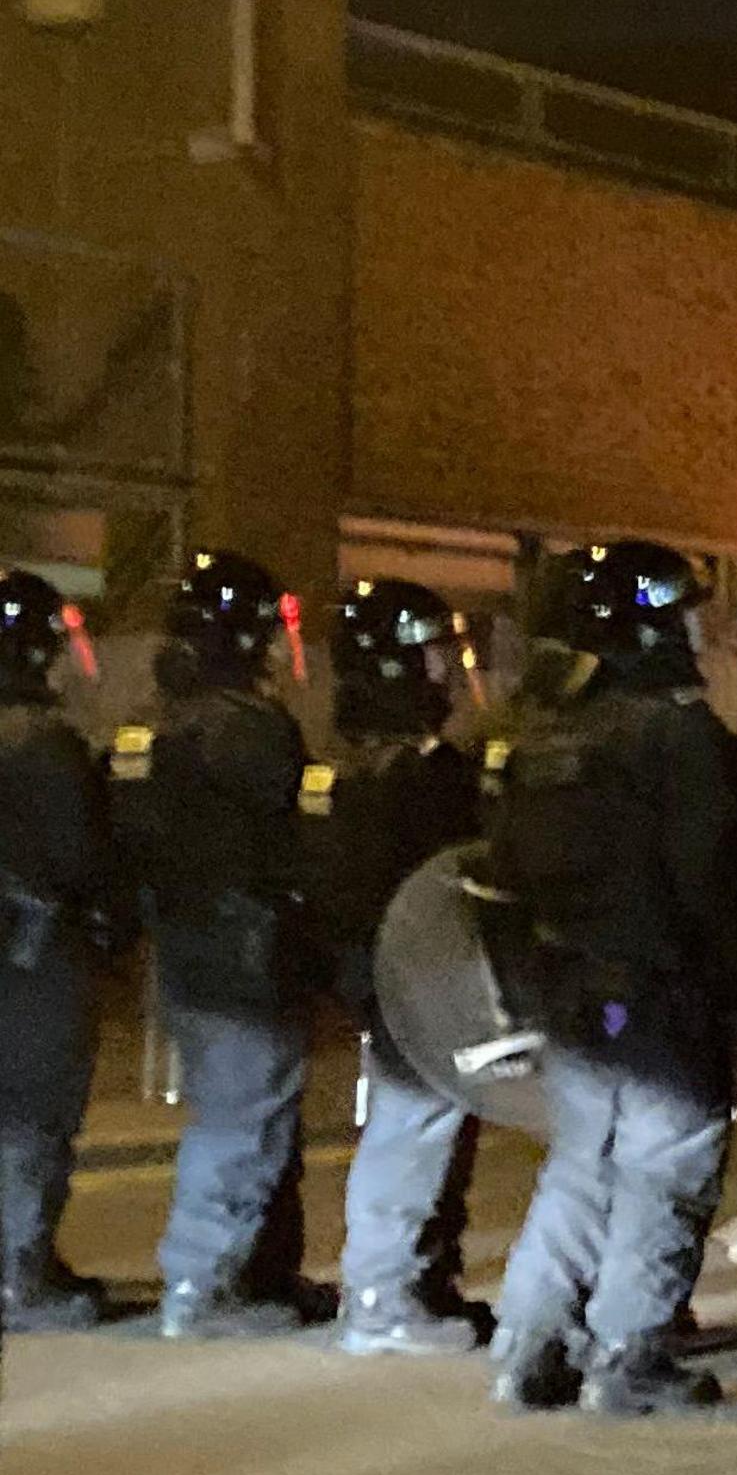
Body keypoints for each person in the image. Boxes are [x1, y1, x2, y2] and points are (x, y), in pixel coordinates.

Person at [483, 541, 737, 1415]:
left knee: (581, 1163)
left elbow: (500, 873)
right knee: (665, 1164)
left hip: (567, 984)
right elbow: (713, 877)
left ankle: (530, 1342)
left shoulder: (539, 737)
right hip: (661, 988)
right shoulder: (676, 734)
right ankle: (631, 1351)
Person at [117, 549, 319, 1339]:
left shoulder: (156, 724)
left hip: (187, 946)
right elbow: (292, 839)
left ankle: (231, 1274)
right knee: (241, 1123)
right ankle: (202, 1288)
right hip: (246, 949)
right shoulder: (247, 728)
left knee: (234, 1114)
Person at [310, 579, 490, 1355]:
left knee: (420, 1124)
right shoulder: (417, 771)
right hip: (420, 975)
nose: (445, 672)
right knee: (413, 1126)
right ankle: (384, 1295)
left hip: (375, 970)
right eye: (430, 656)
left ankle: (418, 1279)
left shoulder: (338, 761)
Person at [0, 572, 107, 1331]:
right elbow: (81, 854)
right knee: (34, 1114)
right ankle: (20, 1271)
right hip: (35, 952)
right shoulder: (44, 740)